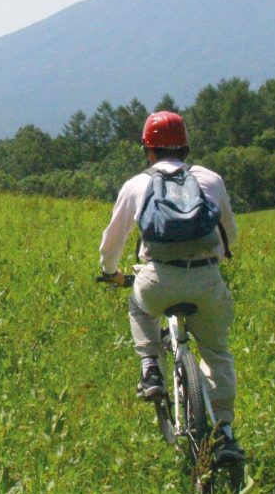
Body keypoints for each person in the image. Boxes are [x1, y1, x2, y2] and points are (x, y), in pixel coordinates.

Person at [98, 110, 243, 464]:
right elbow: (230, 234)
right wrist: (216, 260)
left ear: (148, 150)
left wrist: (110, 272)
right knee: (216, 352)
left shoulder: (137, 184)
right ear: (186, 146)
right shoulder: (210, 179)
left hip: (158, 278)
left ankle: (150, 367)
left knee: (140, 304)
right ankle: (224, 432)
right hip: (207, 278)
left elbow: (112, 243)